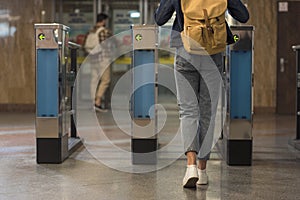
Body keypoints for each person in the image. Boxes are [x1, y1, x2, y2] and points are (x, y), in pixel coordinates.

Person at [154, 0, 249, 188]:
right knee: (208, 113)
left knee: (188, 111)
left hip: (185, 51)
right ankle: (203, 170)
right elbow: (243, 16)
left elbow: (159, 19)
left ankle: (190, 166)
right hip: (213, 54)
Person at [86, 13, 112, 112]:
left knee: (94, 80)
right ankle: (98, 101)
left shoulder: (91, 31)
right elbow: (107, 46)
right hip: (103, 59)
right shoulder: (104, 32)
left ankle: (92, 102)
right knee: (105, 80)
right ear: (104, 21)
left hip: (93, 59)